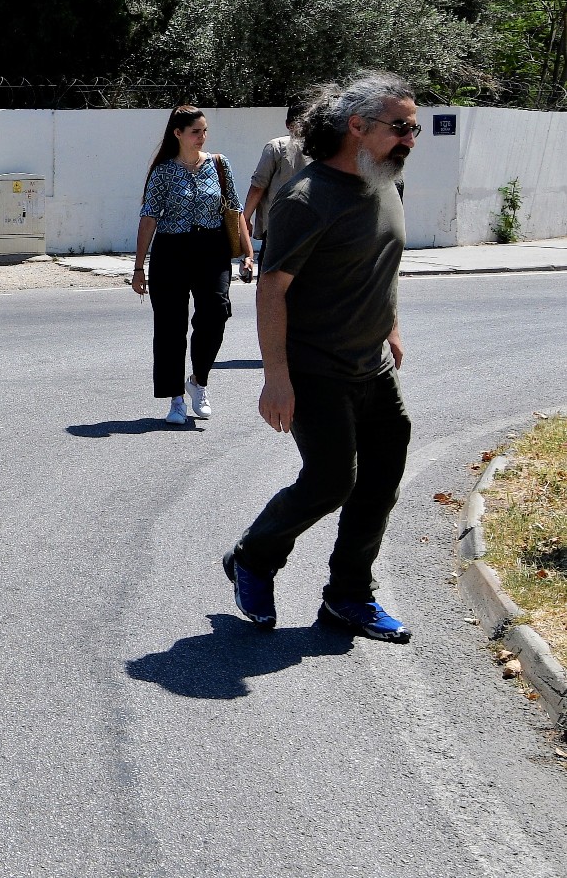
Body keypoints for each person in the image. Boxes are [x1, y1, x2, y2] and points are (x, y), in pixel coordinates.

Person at [226, 74, 422, 644]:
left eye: (414, 127)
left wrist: (391, 326)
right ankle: (254, 557)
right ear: (356, 126)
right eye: (401, 127)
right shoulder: (306, 199)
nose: (410, 139)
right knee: (332, 479)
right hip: (315, 367)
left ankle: (348, 595)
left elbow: (380, 262)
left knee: (380, 479)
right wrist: (276, 379)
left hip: (371, 365)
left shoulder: (386, 181)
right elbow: (272, 289)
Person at [132, 106, 254, 427]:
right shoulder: (163, 172)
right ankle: (175, 398)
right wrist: (138, 267)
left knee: (216, 311)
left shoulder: (219, 164)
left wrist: (247, 253)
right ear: (178, 134)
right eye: (195, 132)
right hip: (171, 251)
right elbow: (149, 218)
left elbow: (235, 209)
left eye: (204, 131)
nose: (202, 137)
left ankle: (199, 380)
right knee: (170, 326)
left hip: (212, 249)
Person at [243, 104, 307, 251]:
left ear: (287, 124)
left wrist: (245, 218)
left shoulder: (276, 146)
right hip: (310, 227)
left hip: (278, 225)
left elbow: (258, 186)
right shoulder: (322, 150)